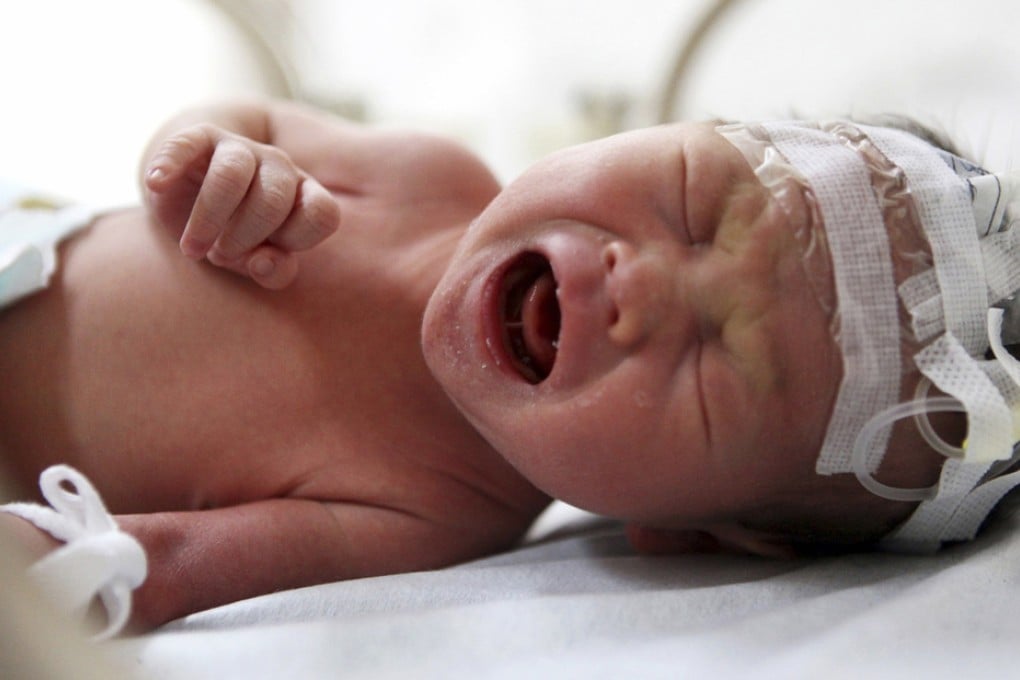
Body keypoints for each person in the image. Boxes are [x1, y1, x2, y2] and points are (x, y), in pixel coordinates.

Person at [2, 99, 1018, 634]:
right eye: (693, 205)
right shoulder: (423, 176)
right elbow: (242, 125)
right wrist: (209, 160)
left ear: (693, 528)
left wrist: (65, 566)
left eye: (717, 362)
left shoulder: (437, 506)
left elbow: (161, 561)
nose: (643, 288)